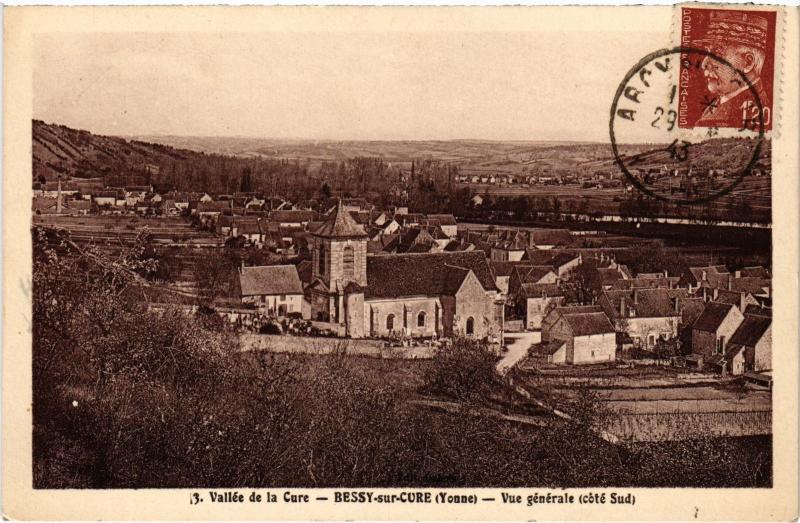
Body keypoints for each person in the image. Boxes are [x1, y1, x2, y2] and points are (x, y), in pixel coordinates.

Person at [693, 11, 771, 129]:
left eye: (717, 54)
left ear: (748, 63)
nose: (704, 64)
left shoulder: (740, 116)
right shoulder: (722, 104)